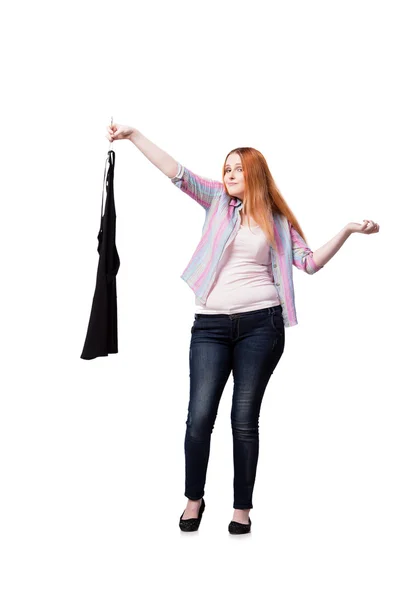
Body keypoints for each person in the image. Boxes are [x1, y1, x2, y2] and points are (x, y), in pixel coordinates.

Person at [105, 123, 380, 534]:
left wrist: (346, 231)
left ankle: (241, 510)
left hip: (262, 325)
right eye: (227, 168)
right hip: (210, 327)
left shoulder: (277, 220)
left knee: (243, 418)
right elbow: (175, 172)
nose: (230, 174)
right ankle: (193, 499)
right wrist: (134, 135)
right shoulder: (216, 199)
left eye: (238, 169)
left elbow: (309, 264)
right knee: (199, 417)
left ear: (254, 174)